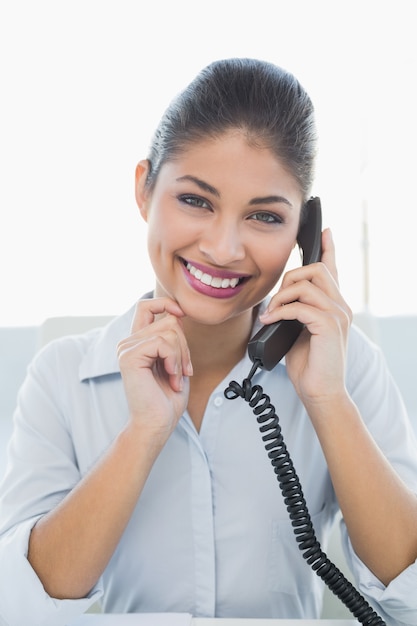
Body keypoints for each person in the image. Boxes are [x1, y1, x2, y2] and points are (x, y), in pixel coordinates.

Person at [1, 58, 417, 626]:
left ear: (304, 237)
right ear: (145, 190)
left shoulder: (344, 367)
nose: (223, 248)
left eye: (264, 217)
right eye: (196, 201)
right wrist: (143, 433)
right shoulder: (60, 375)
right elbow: (21, 607)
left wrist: (326, 400)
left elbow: (410, 599)